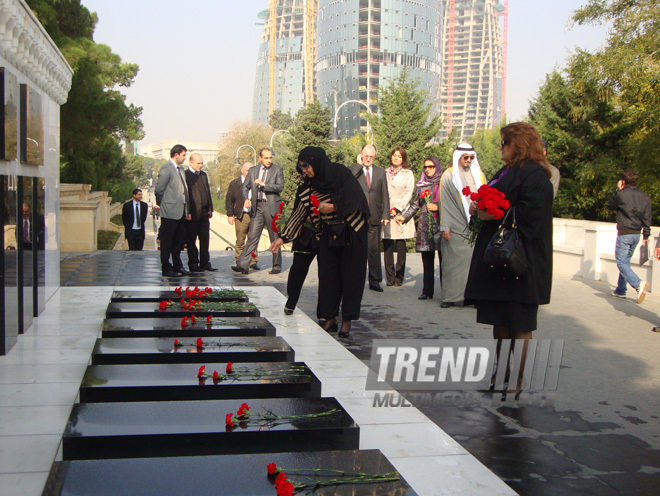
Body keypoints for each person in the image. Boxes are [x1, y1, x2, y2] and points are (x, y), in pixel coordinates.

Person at [465, 122, 554, 396]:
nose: (500, 147)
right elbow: (495, 196)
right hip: (499, 259)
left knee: (520, 322)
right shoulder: (506, 172)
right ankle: (500, 372)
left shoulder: (536, 176)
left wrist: (498, 212)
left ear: (518, 145)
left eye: (504, 143)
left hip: (522, 261)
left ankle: (516, 380)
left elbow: (533, 217)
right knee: (500, 319)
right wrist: (479, 205)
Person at [270, 146, 369, 338]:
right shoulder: (307, 187)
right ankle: (329, 317)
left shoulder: (340, 173)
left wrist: (333, 207)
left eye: (306, 166)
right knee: (328, 278)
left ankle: (347, 320)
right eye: (301, 167)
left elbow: (357, 199)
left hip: (351, 230)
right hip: (328, 234)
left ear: (316, 162)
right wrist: (283, 238)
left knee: (350, 277)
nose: (304, 170)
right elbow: (298, 215)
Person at [438, 143, 486, 308]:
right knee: (452, 263)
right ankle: (450, 297)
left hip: (475, 227)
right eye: (465, 157)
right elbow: (443, 202)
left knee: (473, 264)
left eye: (471, 157)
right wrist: (444, 226)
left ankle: (471, 297)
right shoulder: (448, 175)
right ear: (458, 157)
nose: (468, 160)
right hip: (455, 225)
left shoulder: (479, 175)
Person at [396, 156, 443, 300]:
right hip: (425, 226)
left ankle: (447, 293)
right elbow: (415, 205)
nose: (428, 169)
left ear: (437, 167)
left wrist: (437, 207)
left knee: (445, 262)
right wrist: (404, 217)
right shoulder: (421, 185)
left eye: (431, 167)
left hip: (442, 226)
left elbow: (450, 204)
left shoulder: (444, 184)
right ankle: (427, 291)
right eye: (426, 167)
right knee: (427, 260)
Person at [232, 148, 284, 274]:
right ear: (260, 158)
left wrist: (264, 184)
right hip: (257, 207)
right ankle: (243, 265)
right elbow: (245, 187)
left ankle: (276, 265)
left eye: (270, 157)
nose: (268, 160)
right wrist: (246, 199)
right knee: (253, 236)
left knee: (275, 237)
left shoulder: (277, 170)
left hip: (271, 207)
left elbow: (280, 187)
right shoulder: (254, 170)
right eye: (266, 158)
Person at [349, 144, 390, 292]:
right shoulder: (354, 170)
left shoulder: (380, 172)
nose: (368, 159)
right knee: (356, 250)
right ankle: (355, 279)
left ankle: (375, 280)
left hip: (374, 215)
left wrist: (385, 214)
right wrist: (358, 165)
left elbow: (384, 193)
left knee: (373, 250)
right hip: (357, 216)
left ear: (375, 157)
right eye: (365, 156)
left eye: (371, 156)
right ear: (360, 155)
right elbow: (348, 181)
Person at [608, 169, 651, 303]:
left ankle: (638, 284)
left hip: (624, 233)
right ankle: (621, 290)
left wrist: (618, 190)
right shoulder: (644, 196)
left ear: (623, 181)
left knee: (621, 262)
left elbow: (610, 206)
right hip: (637, 234)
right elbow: (647, 216)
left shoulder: (622, 195)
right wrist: (646, 234)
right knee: (625, 262)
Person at [283, 165, 320, 315]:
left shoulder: (327, 187)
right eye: (302, 171)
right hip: (303, 235)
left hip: (322, 236)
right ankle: (291, 302)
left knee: (326, 275)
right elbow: (296, 211)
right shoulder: (302, 189)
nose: (305, 173)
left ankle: (326, 313)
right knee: (297, 269)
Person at [155, 144, 191, 277]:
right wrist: (164, 204)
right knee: (167, 241)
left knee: (178, 241)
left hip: (180, 211)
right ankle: (166, 267)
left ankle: (177, 265)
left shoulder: (180, 169)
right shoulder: (166, 168)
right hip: (169, 212)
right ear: (176, 155)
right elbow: (159, 190)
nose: (184, 158)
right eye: (183, 155)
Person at [381, 147, 416, 286]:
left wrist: (398, 208)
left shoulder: (408, 174)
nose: (396, 158)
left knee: (401, 244)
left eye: (399, 156)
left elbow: (409, 192)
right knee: (387, 244)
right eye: (394, 155)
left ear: (403, 159)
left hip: (401, 210)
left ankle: (399, 276)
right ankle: (389, 277)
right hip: (386, 210)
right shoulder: (384, 172)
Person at [185, 153, 216, 272]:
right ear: (191, 162)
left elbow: (207, 192)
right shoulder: (185, 175)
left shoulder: (203, 175)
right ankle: (193, 264)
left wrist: (210, 209)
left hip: (204, 213)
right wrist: (187, 211)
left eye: (202, 163)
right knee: (191, 240)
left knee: (205, 239)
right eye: (198, 163)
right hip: (192, 214)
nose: (200, 165)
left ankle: (205, 263)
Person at [225, 161, 259, 270]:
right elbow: (229, 200)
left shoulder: (256, 183)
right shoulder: (235, 184)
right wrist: (230, 215)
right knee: (240, 240)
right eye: (248, 170)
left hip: (254, 215)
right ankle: (239, 261)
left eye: (252, 170)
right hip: (241, 215)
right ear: (242, 170)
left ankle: (253, 261)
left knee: (253, 240)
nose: (250, 172)